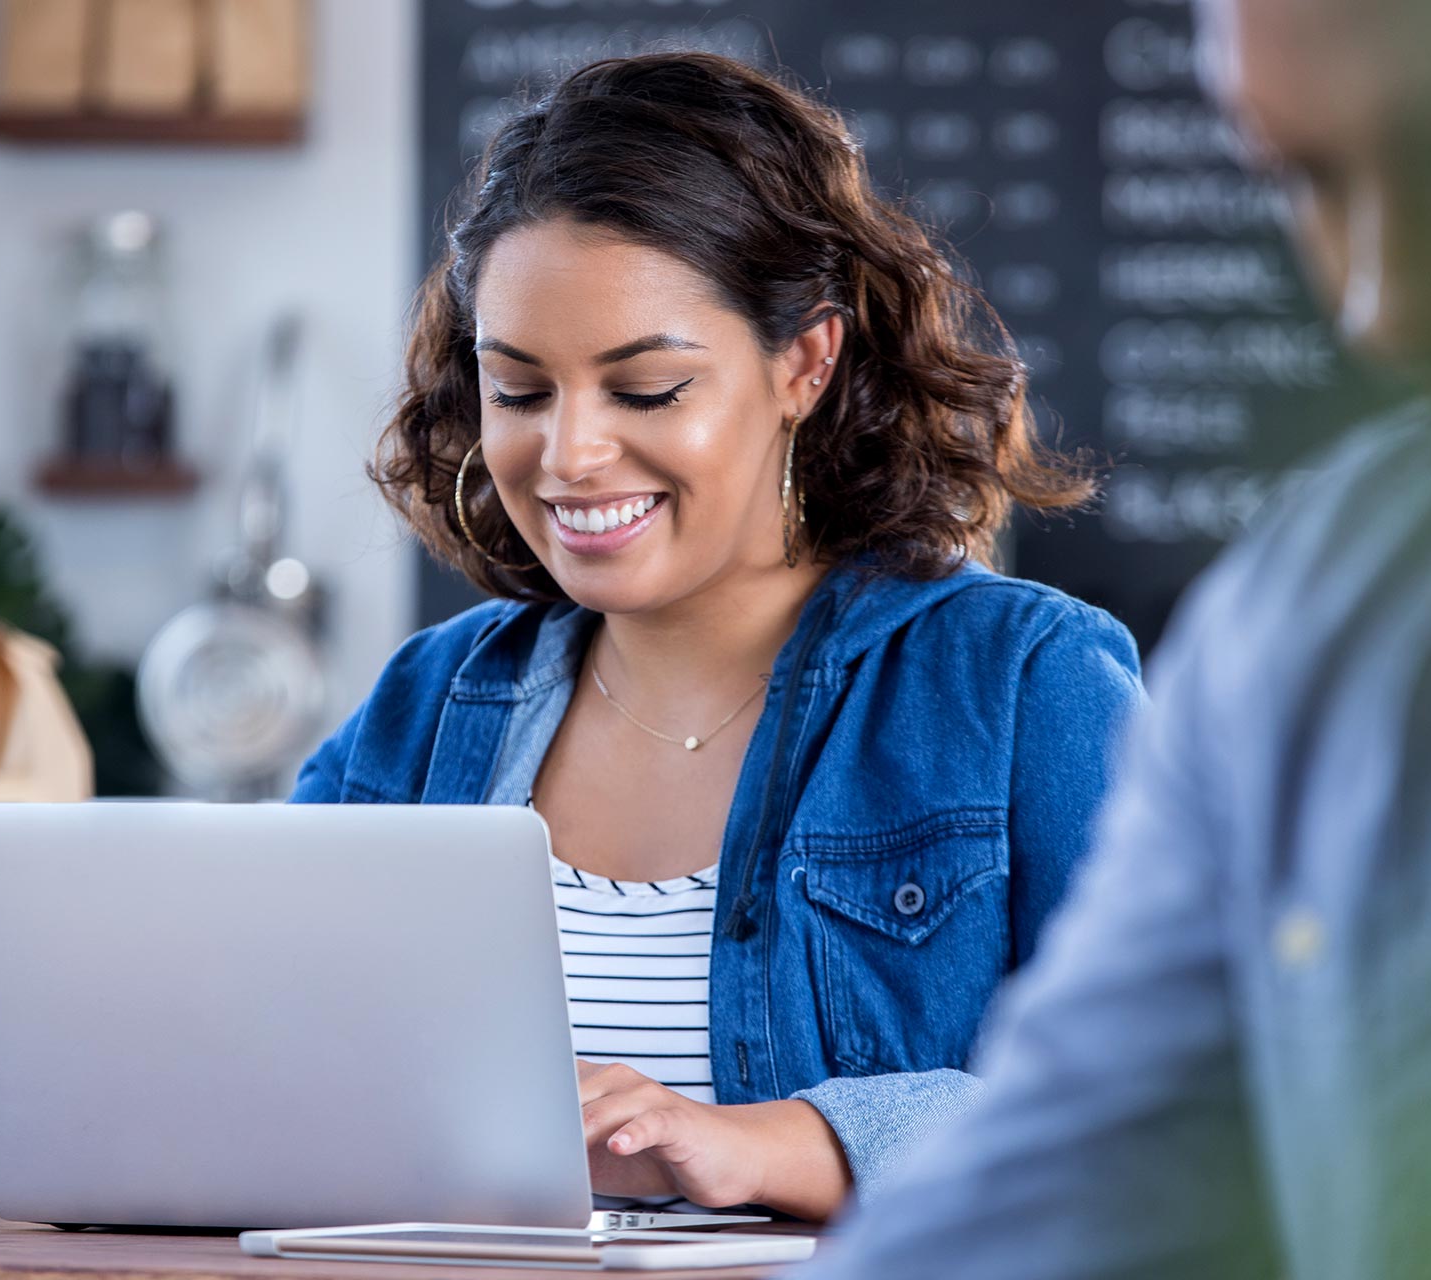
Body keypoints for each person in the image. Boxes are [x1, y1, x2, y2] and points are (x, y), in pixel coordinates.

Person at [290, 52, 1141, 1223]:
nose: (570, 453)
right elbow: (276, 1069)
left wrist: (772, 1146)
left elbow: (1167, 1099)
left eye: (645, 391)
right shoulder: (427, 705)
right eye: (520, 391)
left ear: (804, 361)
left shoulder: (1022, 682)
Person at [803, 0, 1431, 1273]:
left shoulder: (1033, 667)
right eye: (1305, 179)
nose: (1385, 305)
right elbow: (1061, 1173)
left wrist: (811, 1133)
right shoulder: (1309, 628)